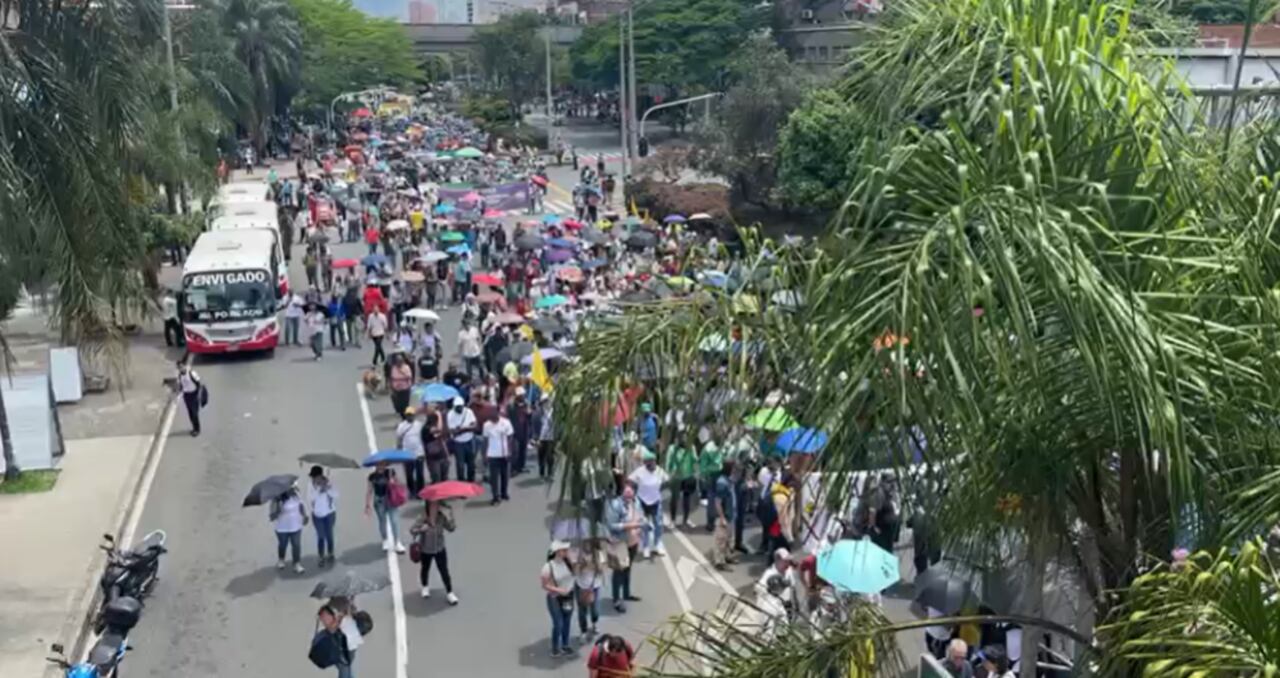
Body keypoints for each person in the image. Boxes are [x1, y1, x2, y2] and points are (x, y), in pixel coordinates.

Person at [410, 500, 459, 605]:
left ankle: (450, 592)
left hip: (439, 548)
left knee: (444, 571)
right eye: (433, 505)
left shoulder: (441, 517)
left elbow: (451, 528)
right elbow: (412, 530)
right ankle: (425, 586)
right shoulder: (423, 517)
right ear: (428, 506)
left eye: (437, 505)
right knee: (425, 569)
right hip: (426, 549)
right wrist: (421, 529)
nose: (435, 507)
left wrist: (451, 515)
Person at [606, 482, 644, 612]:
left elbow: (640, 516)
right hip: (620, 542)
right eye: (626, 492)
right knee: (619, 571)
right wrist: (628, 526)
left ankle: (626, 593)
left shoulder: (636, 502)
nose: (628, 495)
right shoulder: (616, 505)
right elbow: (612, 525)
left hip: (633, 541)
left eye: (631, 492)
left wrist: (641, 525)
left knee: (628, 568)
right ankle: (616, 599)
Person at [627, 449, 668, 559]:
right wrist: (632, 493)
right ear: (645, 463)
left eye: (653, 461)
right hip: (642, 500)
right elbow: (629, 480)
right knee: (644, 524)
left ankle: (658, 543)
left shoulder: (660, 471)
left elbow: (666, 481)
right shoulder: (639, 471)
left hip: (656, 500)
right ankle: (645, 546)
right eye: (649, 461)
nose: (651, 463)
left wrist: (659, 492)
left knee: (658, 523)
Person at [541, 540, 577, 657]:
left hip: (569, 596)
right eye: (564, 550)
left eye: (567, 550)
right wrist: (559, 590)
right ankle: (555, 647)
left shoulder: (568, 563)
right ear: (557, 551)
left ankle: (565, 645)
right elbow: (544, 585)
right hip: (555, 598)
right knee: (558, 623)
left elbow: (576, 572)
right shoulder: (548, 567)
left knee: (567, 621)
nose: (566, 552)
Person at [364, 462, 406, 553]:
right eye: (378, 464)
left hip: (391, 499)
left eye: (382, 464)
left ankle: (397, 542)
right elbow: (369, 491)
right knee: (382, 521)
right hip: (379, 501)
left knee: (394, 521)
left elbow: (400, 484)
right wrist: (367, 504)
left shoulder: (390, 472)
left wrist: (393, 482)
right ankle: (385, 540)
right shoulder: (372, 476)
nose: (380, 466)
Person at [708, 461, 738, 569]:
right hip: (724, 515)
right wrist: (722, 517)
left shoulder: (729, 480)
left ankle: (727, 557)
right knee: (721, 539)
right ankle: (719, 562)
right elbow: (718, 501)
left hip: (731, 514)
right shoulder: (722, 482)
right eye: (734, 468)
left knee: (729, 538)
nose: (736, 470)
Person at [270, 485, 307, 574]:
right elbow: (272, 517)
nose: (293, 490)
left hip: (296, 525)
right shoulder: (277, 499)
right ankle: (281, 559)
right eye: (291, 489)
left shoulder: (297, 495)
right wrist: (278, 508)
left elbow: (301, 506)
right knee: (283, 545)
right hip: (282, 527)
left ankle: (296, 564)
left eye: (294, 488)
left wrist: (305, 515)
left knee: (296, 545)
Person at [575, 540, 606, 640]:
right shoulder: (578, 554)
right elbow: (574, 571)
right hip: (581, 586)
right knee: (582, 610)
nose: (587, 545)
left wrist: (596, 566)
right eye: (585, 543)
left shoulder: (598, 553)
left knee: (595, 610)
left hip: (594, 586)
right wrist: (581, 566)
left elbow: (603, 568)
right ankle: (583, 631)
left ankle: (594, 622)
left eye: (589, 543)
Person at [481, 407, 513, 504]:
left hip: (504, 453)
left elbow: (510, 437)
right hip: (492, 454)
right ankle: (496, 496)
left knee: (505, 475)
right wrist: (485, 454)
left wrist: (509, 451)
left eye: (493, 415)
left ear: (497, 413)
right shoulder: (486, 425)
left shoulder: (506, 423)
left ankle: (504, 493)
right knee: (494, 477)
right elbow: (485, 440)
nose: (491, 417)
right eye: (489, 415)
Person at [308, 466, 338, 567]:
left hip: (330, 514)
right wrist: (318, 491)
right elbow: (310, 498)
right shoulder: (311, 485)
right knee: (321, 536)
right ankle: (321, 556)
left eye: (315, 477)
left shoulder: (329, 482)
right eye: (312, 477)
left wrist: (328, 489)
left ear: (320, 476)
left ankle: (330, 553)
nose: (313, 479)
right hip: (317, 515)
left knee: (329, 535)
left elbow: (336, 494)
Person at [445, 397, 479, 483]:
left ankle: (471, 481)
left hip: (469, 440)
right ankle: (461, 483)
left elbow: (475, 425)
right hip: (458, 442)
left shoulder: (468, 412)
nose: (459, 409)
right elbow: (452, 430)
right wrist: (465, 429)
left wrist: (464, 428)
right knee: (460, 465)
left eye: (460, 407)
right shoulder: (450, 414)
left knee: (471, 464)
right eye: (457, 407)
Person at [316, 605, 355, 678]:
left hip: (345, 648)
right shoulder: (336, 621)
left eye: (324, 617)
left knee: (345, 668)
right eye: (322, 619)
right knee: (346, 668)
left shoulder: (339, 620)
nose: (323, 621)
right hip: (341, 650)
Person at [667, 439, 698, 529]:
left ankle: (686, 519)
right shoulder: (672, 448)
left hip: (688, 476)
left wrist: (695, 473)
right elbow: (668, 460)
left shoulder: (691, 447)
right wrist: (669, 473)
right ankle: (672, 520)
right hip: (676, 477)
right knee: (674, 499)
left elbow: (695, 460)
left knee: (687, 499)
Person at [397, 407, 426, 495]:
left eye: (411, 415)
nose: (410, 417)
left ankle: (421, 491)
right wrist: (399, 452)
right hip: (407, 454)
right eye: (408, 415)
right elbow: (399, 439)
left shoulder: (419, 425)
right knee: (409, 474)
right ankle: (411, 490)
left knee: (420, 474)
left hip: (419, 453)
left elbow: (423, 437)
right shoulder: (401, 426)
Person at [421, 402, 450, 484]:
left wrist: (447, 455)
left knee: (444, 477)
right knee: (436, 478)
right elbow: (439, 430)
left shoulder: (431, 426)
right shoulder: (426, 429)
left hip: (442, 455)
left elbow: (442, 441)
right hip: (433, 458)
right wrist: (439, 415)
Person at [175, 361, 203, 437]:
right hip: (187, 396)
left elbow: (199, 383)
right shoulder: (180, 376)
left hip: (194, 394)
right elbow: (181, 387)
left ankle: (197, 429)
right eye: (179, 368)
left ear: (184, 366)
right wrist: (178, 396)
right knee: (190, 413)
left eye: (182, 366)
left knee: (194, 413)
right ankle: (194, 428)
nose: (181, 369)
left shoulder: (191, 373)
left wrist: (199, 394)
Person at [534, 394, 556, 479]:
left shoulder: (554, 412)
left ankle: (550, 473)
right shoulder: (538, 413)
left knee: (550, 456)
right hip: (541, 437)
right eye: (545, 401)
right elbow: (535, 426)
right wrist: (535, 438)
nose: (547, 403)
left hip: (551, 437)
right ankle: (542, 472)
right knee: (541, 456)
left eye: (548, 401)